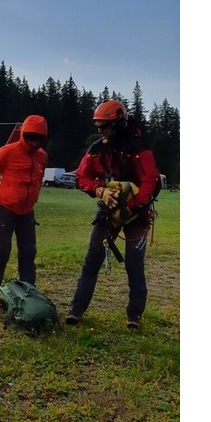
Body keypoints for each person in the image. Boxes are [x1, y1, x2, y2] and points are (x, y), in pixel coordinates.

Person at [66, 101, 160, 329]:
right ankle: (76, 311)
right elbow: (81, 176)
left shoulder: (139, 148)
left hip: (137, 213)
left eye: (105, 127)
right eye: (98, 127)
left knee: (134, 266)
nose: (101, 131)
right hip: (108, 211)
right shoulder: (97, 149)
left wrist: (134, 205)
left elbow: (152, 180)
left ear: (119, 124)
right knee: (92, 260)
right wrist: (99, 190)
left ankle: (134, 316)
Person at [0, 115, 49, 311]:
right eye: (30, 137)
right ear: (23, 134)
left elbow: (39, 179)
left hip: (27, 212)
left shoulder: (42, 156)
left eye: (38, 138)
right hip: (5, 209)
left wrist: (34, 199)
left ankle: (29, 292)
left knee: (28, 253)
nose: (33, 142)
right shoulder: (8, 151)